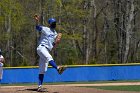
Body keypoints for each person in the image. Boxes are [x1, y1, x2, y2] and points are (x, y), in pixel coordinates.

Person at [34, 15, 66, 92]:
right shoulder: (46, 29)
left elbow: (53, 45)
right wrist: (37, 20)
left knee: (43, 70)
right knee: (49, 58)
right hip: (41, 48)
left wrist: (57, 41)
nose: (54, 24)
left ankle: (39, 87)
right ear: (50, 24)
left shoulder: (55, 33)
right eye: (53, 23)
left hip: (46, 50)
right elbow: (37, 27)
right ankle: (58, 68)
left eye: (55, 22)